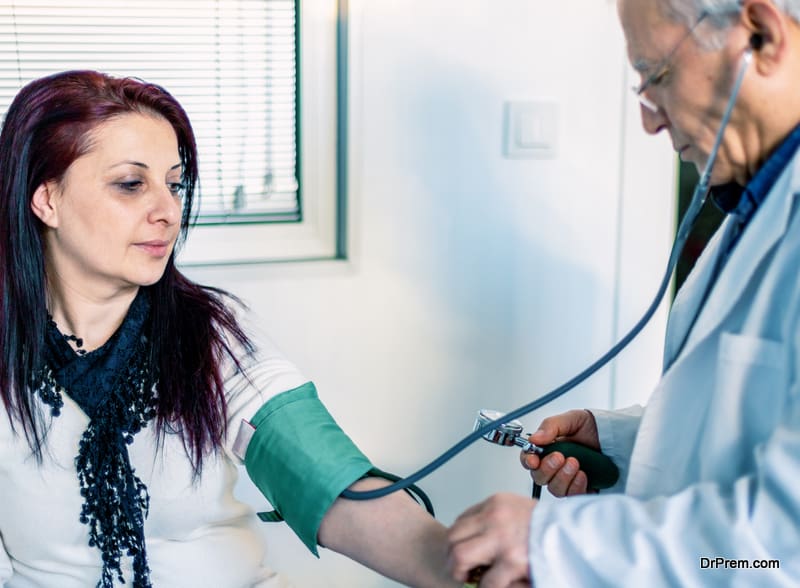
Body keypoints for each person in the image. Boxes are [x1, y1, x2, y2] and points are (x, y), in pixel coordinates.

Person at [0, 70, 460, 588]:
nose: (168, 211)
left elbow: (321, 477)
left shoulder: (211, 331)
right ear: (47, 200)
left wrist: (470, 572)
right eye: (131, 184)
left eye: (173, 184)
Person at [446, 0, 800, 586]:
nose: (649, 121)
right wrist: (619, 442)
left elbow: (778, 553)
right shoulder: (752, 211)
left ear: (761, 36)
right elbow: (747, 434)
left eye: (657, 76)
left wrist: (552, 543)